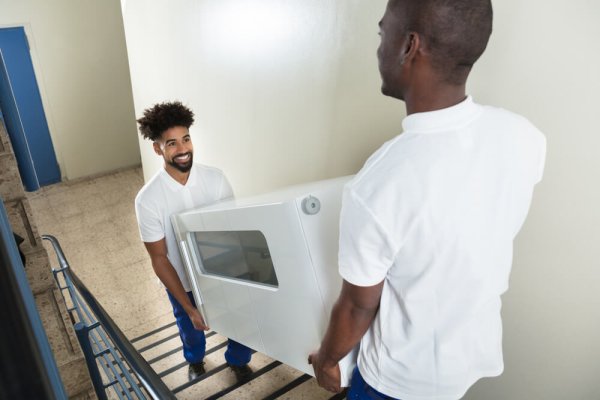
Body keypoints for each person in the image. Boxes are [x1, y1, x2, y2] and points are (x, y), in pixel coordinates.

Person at [309, 0, 546, 399]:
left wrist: (328, 360)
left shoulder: (381, 181)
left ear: (409, 46)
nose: (379, 47)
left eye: (383, 34)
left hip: (396, 381)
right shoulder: (524, 136)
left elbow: (356, 307)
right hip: (466, 362)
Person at [134, 101, 253, 382]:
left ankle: (238, 361)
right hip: (183, 281)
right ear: (157, 148)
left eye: (186, 139)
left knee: (241, 321)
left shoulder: (215, 179)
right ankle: (195, 360)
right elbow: (159, 258)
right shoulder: (147, 199)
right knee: (190, 328)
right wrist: (189, 307)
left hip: (224, 270)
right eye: (172, 143)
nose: (183, 149)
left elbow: (233, 232)